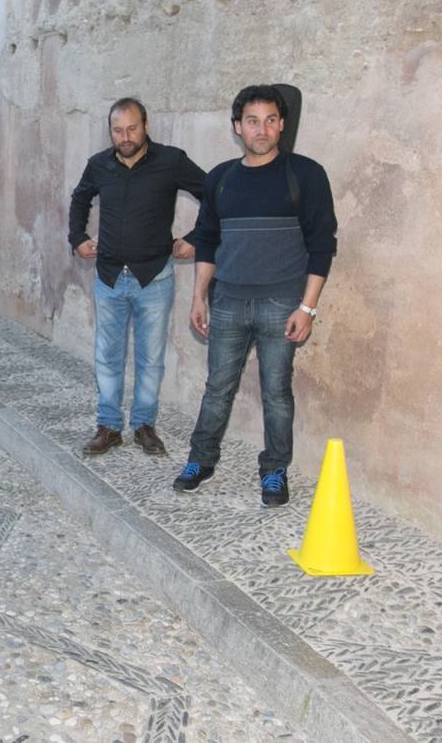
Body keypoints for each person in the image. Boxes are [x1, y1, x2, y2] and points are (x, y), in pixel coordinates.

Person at [173, 85, 338, 508]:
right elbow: (208, 241)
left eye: (270, 120)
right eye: (252, 121)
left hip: (282, 303)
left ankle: (274, 470)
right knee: (217, 389)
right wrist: (199, 298)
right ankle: (201, 459)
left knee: (276, 392)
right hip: (227, 302)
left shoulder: (306, 174)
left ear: (282, 125)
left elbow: (323, 244)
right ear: (237, 128)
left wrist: (308, 307)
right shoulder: (221, 179)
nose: (261, 129)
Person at [68, 97, 206, 457]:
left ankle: (144, 425)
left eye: (132, 128)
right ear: (110, 131)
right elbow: (79, 200)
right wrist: (78, 238)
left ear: (145, 126)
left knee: (151, 359)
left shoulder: (171, 161)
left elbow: (214, 195)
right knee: (107, 357)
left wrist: (195, 239)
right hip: (110, 277)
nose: (125, 136)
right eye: (118, 130)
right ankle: (109, 427)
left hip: (154, 277)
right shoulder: (98, 165)